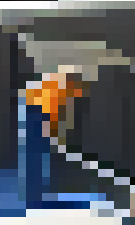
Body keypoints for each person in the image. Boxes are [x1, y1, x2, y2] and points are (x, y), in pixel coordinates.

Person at [19, 64, 87, 209]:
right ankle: (36, 199)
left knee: (37, 159)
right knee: (37, 158)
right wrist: (50, 130)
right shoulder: (62, 86)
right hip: (36, 115)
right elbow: (54, 108)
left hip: (35, 114)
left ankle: (36, 197)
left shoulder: (55, 83)